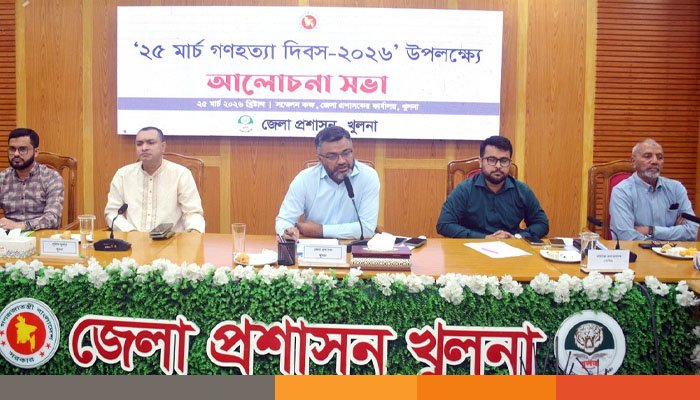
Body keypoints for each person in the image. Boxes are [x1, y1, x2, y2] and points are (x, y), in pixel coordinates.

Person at [276, 126, 379, 241]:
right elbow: (284, 220)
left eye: (346, 153)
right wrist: (287, 231)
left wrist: (320, 230)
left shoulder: (367, 176)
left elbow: (367, 228)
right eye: (332, 156)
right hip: (314, 247)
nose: (341, 161)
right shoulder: (305, 179)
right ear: (320, 159)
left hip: (352, 246)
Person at [436, 135, 549, 239]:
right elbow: (444, 224)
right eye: (492, 160)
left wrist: (517, 237)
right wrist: (484, 238)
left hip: (511, 247)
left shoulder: (522, 191)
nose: (498, 166)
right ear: (480, 161)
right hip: (472, 247)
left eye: (504, 161)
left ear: (509, 163)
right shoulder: (465, 190)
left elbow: (542, 224)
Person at [105, 126, 205, 233]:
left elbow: (193, 213)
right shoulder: (123, 175)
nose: (144, 148)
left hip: (172, 241)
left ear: (163, 146)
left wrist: (194, 232)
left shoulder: (181, 174)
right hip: (132, 239)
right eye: (139, 144)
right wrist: (131, 233)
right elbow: (112, 212)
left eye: (150, 143)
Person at [609, 139, 697, 241]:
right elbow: (625, 237)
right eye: (647, 156)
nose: (655, 161)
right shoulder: (622, 191)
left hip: (673, 251)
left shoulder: (676, 188)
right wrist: (672, 234)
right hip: (637, 251)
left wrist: (651, 230)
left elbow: (692, 231)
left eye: (660, 157)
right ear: (633, 162)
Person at [0, 128, 64, 231]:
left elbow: (53, 218)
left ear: (36, 152)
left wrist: (22, 226)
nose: (16, 154)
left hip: (41, 235)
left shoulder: (51, 177)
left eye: (22, 149)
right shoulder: (2, 178)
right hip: (10, 237)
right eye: (12, 149)